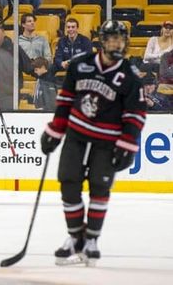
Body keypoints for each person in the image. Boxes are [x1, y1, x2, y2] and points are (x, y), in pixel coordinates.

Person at [40, 20, 146, 266]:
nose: (117, 43)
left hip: (107, 142)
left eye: (121, 39)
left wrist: (128, 144)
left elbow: (135, 114)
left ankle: (92, 241)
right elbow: (65, 102)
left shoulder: (130, 76)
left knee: (100, 187)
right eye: (112, 39)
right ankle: (77, 238)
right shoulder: (80, 65)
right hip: (76, 136)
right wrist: (54, 132)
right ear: (102, 41)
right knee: (68, 183)